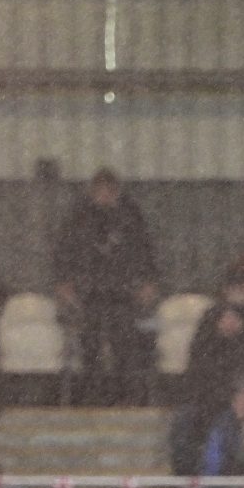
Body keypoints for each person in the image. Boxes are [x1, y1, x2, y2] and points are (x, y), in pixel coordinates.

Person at [52, 169, 159, 405]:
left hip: (122, 293)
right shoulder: (79, 216)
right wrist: (64, 282)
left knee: (125, 348)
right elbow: (64, 250)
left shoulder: (130, 215)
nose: (103, 197)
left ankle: (126, 400)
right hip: (90, 293)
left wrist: (148, 282)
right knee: (90, 348)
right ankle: (93, 400)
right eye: (99, 192)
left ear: (116, 192)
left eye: (108, 192)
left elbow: (145, 250)